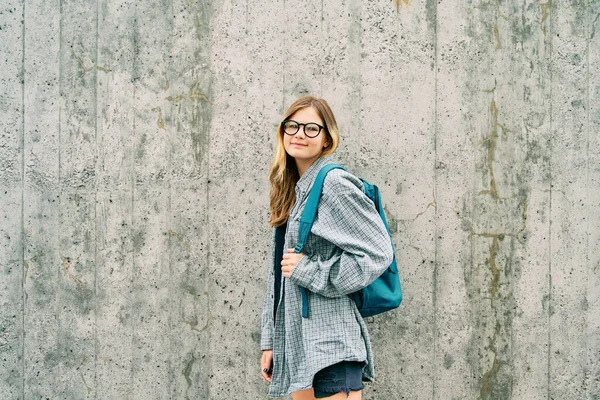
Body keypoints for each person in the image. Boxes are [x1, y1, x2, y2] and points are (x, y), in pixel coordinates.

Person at [259, 95, 394, 399]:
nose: (299, 134)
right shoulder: (292, 189)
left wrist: (309, 271)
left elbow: (377, 253)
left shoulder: (334, 184)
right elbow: (277, 276)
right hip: (296, 343)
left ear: (326, 139)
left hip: (331, 341)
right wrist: (270, 340)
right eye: (292, 126)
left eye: (311, 128)